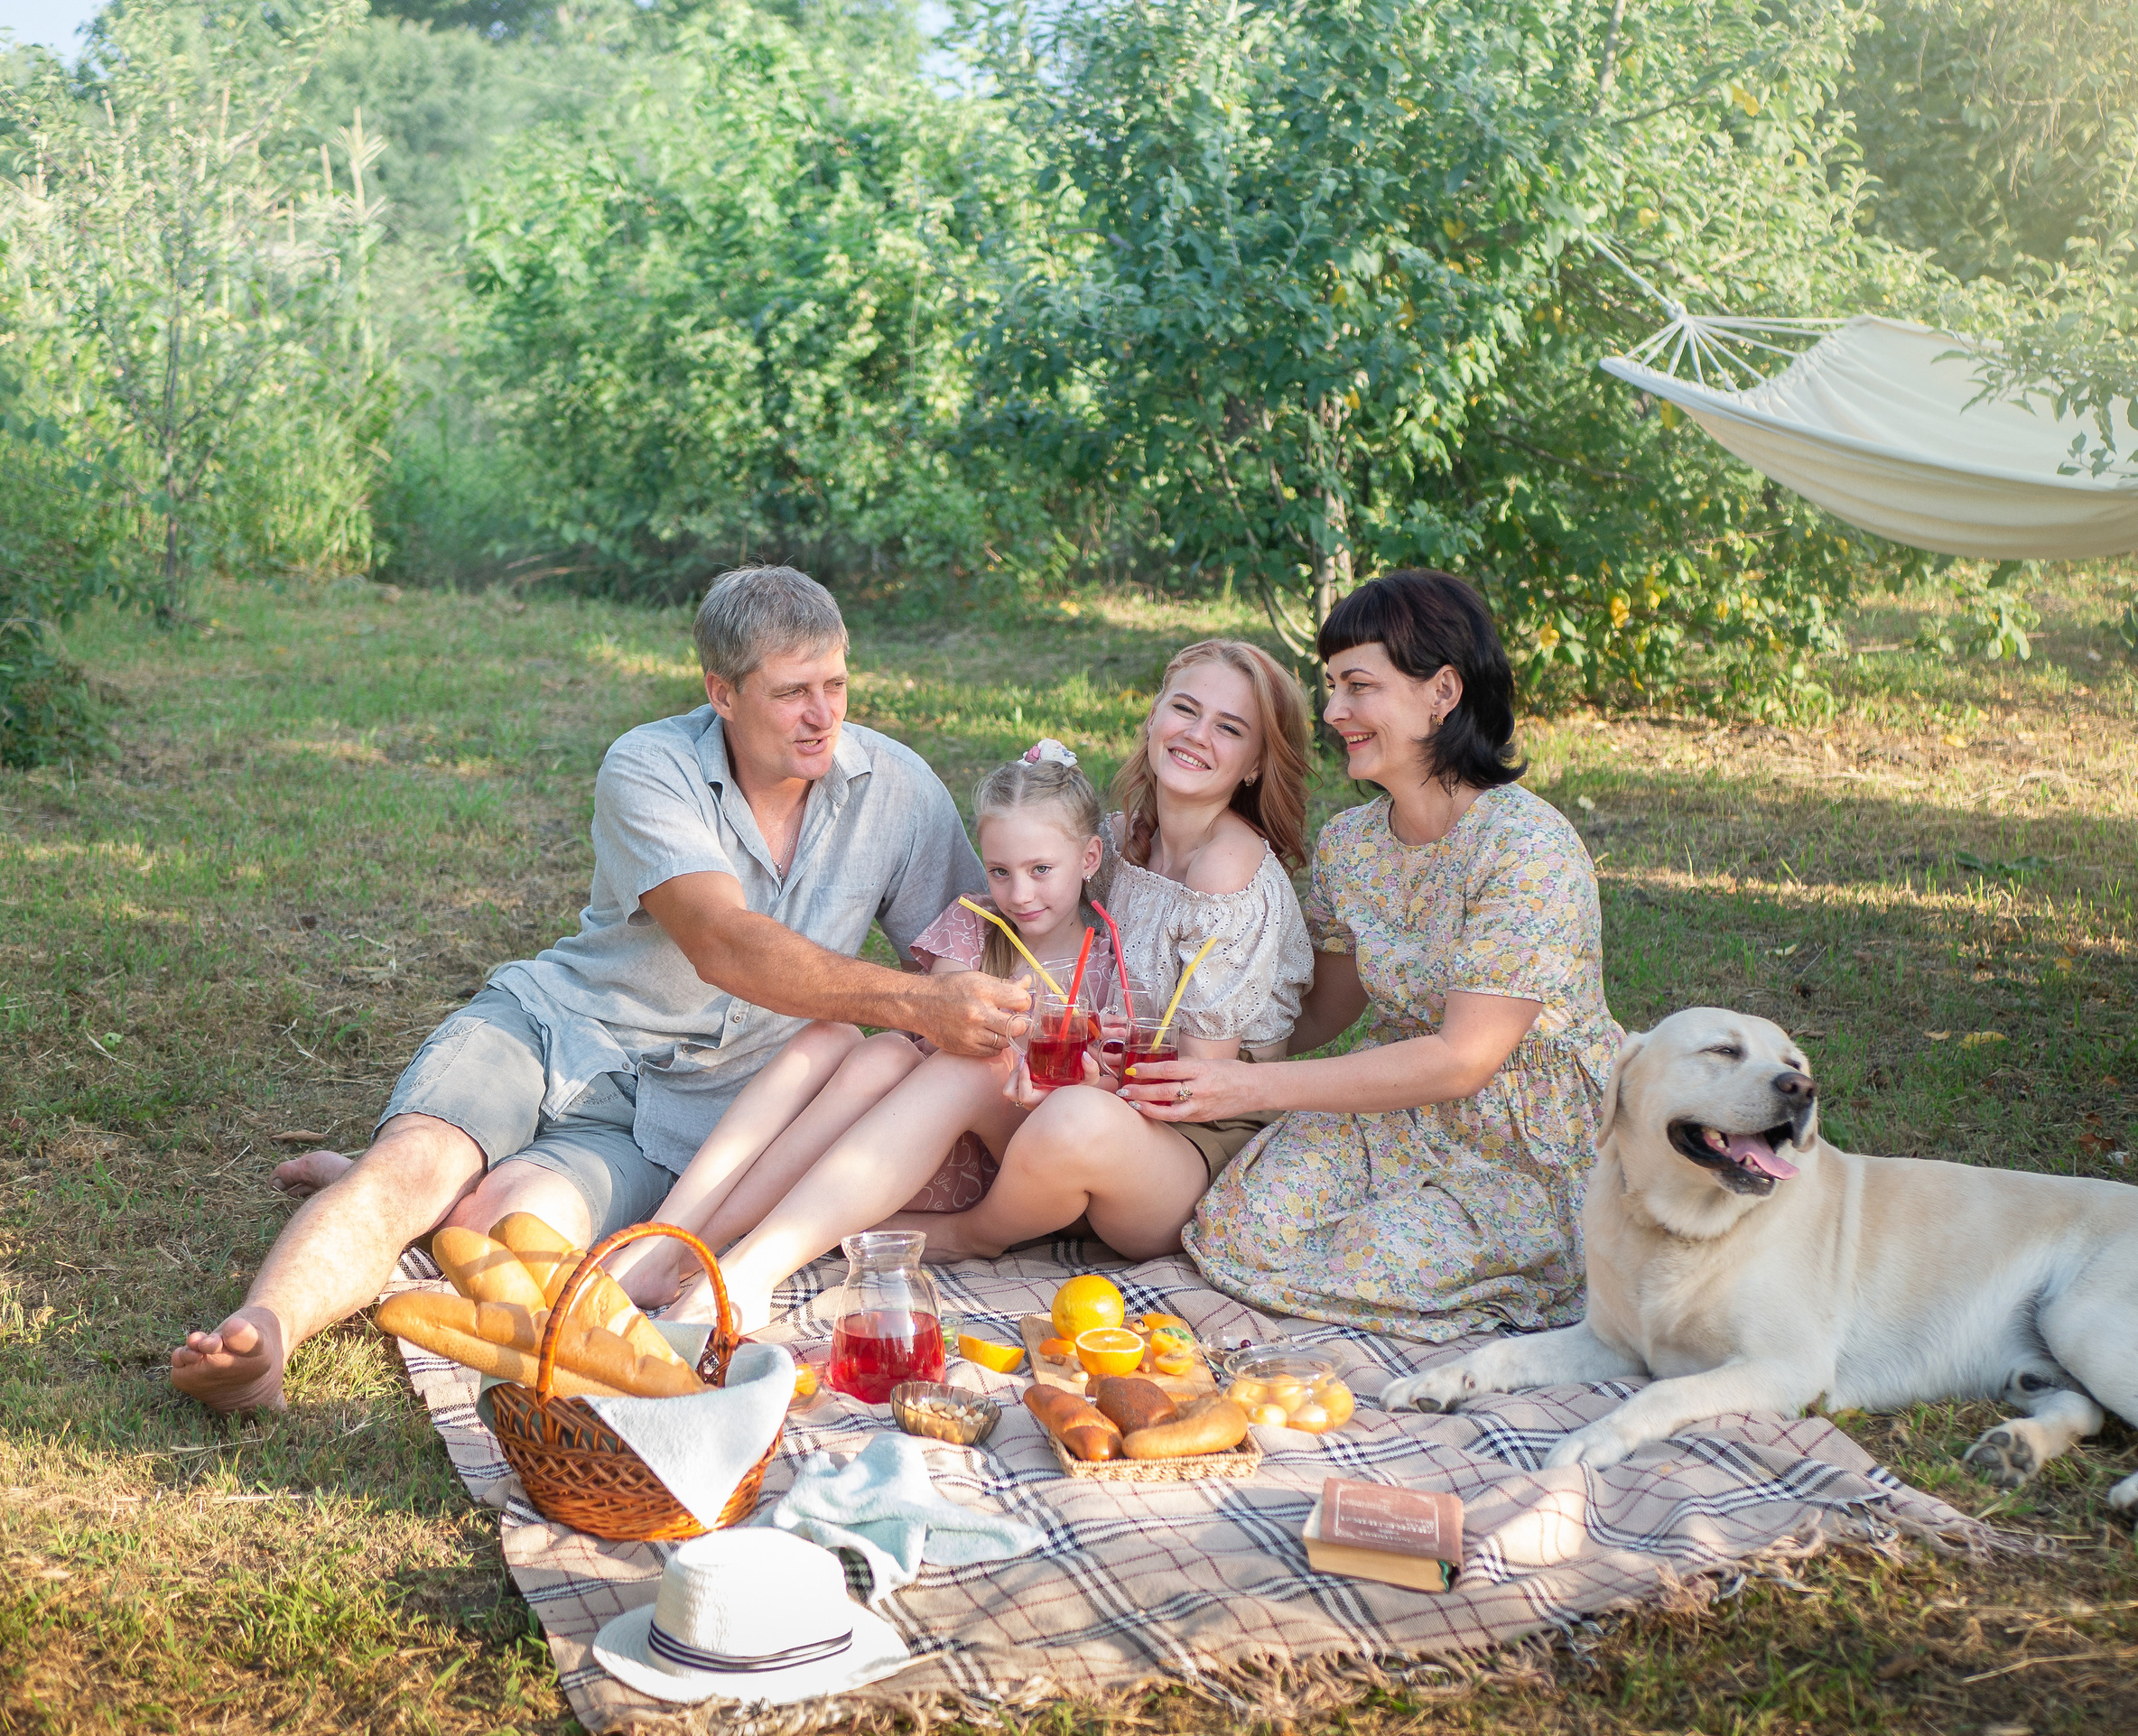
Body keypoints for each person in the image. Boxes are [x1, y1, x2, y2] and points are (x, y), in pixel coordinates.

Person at [169, 566, 1030, 1412]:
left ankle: (409, 1191)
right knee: (418, 1162)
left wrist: (969, 1004)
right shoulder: (649, 765)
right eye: (792, 691)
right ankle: (265, 1337)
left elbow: (968, 954)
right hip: (555, 1031)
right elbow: (725, 943)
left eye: (836, 683)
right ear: (721, 692)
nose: (823, 715)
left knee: (504, 1228)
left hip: (685, 1122)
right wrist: (917, 1007)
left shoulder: (900, 791)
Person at [643, 638, 1315, 1331]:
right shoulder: (1118, 842)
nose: (1197, 734)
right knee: (928, 1061)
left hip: (1188, 1148)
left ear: (1258, 760)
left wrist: (1088, 1080)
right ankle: (713, 1253)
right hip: (1082, 1110)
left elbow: (1200, 1088)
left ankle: (960, 1235)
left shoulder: (1226, 875)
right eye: (1185, 708)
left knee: (1041, 1101)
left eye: (1229, 728)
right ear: (1153, 716)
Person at [1140, 571, 1621, 1343]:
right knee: (1240, 1225)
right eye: (1331, 686)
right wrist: (1191, 1054)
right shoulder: (1352, 842)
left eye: (1357, 686)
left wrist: (1249, 1084)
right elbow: (1322, 1010)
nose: (1332, 712)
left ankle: (1540, 1270)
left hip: (1524, 1136)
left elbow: (1465, 1060)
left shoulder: (1528, 847)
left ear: (1443, 692)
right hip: (1395, 1106)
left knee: (1377, 1254)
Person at [603, 738, 1116, 1316]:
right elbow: (940, 1033)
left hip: (1009, 1161)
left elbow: (1096, 1099)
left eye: (1041, 870)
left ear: (1090, 858)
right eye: (1000, 870)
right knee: (846, 1039)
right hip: (908, 1139)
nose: (1018, 894)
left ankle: (700, 1257)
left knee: (948, 1062)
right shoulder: (976, 926)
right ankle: (669, 1239)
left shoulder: (1111, 958)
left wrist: (1078, 1080)